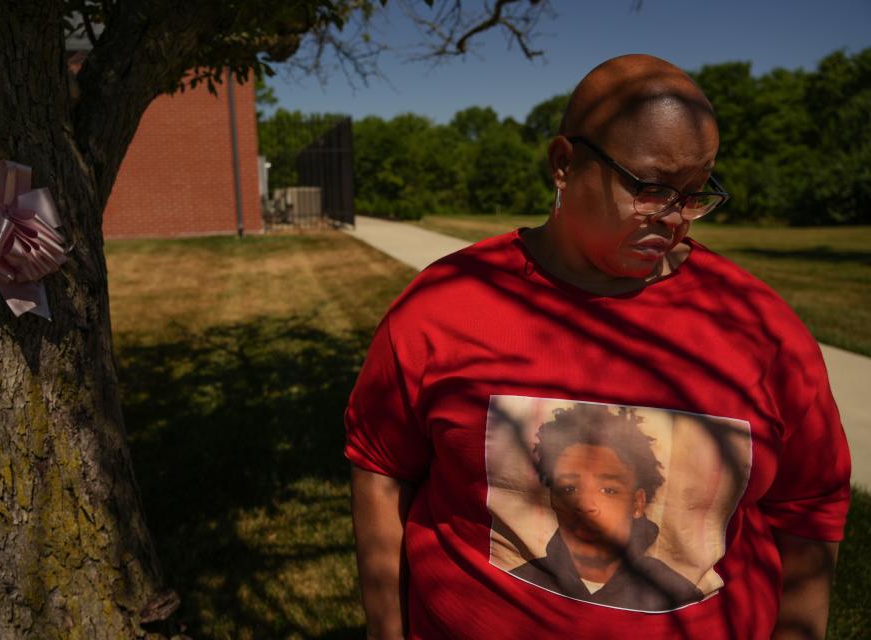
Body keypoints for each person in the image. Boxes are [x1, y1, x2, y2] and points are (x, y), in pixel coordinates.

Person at [346, 54, 850, 639]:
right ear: (564, 164)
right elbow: (380, 470)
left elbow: (809, 507)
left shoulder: (762, 331)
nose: (675, 217)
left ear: (640, 500)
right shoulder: (443, 307)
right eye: (651, 187)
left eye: (694, 191)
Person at [509, 404, 704, 612]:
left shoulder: (677, 596)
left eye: (608, 490)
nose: (585, 505)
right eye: (569, 488)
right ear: (553, 501)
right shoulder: (515, 586)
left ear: (637, 503)